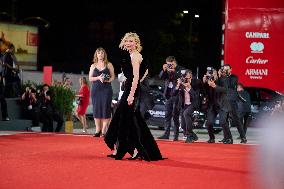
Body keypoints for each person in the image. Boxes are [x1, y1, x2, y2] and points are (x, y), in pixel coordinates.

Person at [104, 32, 163, 161]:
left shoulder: (135, 55)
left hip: (131, 91)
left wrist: (131, 94)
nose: (129, 43)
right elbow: (143, 72)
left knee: (124, 120)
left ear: (136, 43)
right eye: (127, 41)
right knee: (127, 120)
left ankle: (132, 149)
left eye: (131, 41)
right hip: (130, 89)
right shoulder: (131, 55)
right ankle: (133, 149)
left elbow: (136, 76)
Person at [89, 47, 115, 137]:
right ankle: (97, 130)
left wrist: (108, 80)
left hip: (106, 89)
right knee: (96, 109)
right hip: (96, 90)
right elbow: (90, 78)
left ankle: (103, 130)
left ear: (104, 55)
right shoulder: (93, 66)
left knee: (105, 109)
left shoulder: (109, 64)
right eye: (99, 53)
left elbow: (113, 76)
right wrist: (98, 78)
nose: (100, 54)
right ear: (96, 55)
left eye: (102, 53)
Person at [203, 67, 233, 144]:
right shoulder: (207, 81)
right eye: (208, 73)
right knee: (209, 123)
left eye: (212, 73)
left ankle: (229, 138)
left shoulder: (222, 79)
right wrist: (204, 83)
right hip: (212, 105)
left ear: (216, 74)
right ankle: (212, 138)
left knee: (223, 122)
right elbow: (204, 92)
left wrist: (214, 86)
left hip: (222, 104)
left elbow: (225, 90)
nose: (210, 75)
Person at [218, 64, 247, 143]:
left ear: (231, 69)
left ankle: (243, 137)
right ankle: (227, 137)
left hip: (231, 102)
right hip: (223, 102)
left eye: (227, 69)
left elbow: (229, 85)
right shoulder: (222, 77)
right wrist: (219, 76)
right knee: (223, 121)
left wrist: (225, 76)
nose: (226, 71)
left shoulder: (234, 77)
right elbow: (218, 87)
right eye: (224, 69)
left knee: (236, 120)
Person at [157, 56, 184, 141]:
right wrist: (164, 70)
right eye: (168, 64)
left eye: (171, 64)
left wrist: (174, 71)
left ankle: (175, 136)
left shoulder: (181, 69)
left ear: (175, 63)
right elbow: (161, 77)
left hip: (177, 94)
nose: (170, 66)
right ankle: (166, 134)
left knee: (175, 115)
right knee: (167, 115)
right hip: (168, 95)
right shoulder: (167, 69)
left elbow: (183, 78)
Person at [175, 70, 200, 143]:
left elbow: (196, 96)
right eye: (185, 77)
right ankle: (193, 136)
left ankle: (189, 136)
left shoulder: (196, 82)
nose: (186, 78)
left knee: (186, 114)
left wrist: (189, 88)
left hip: (193, 104)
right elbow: (173, 94)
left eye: (188, 76)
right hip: (184, 105)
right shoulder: (181, 83)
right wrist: (178, 85)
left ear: (191, 76)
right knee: (183, 125)